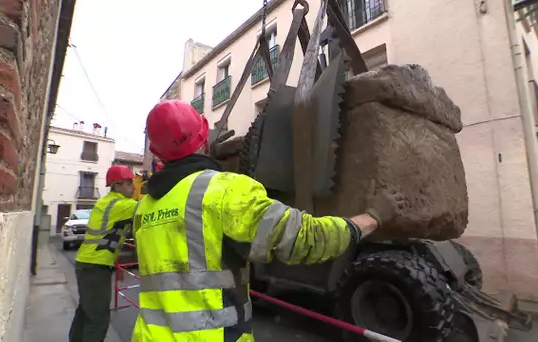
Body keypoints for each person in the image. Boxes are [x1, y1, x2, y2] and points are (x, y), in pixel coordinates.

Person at [131, 100, 403, 342]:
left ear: (158, 154)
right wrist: (371, 218)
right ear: (203, 140)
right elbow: (305, 239)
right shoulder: (223, 191)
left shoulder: (144, 207)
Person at [69, 165, 138, 342]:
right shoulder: (122, 205)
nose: (134, 186)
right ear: (117, 186)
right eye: (129, 183)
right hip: (95, 267)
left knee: (85, 312)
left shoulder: (106, 202)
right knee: (97, 319)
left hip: (87, 263)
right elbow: (147, 208)